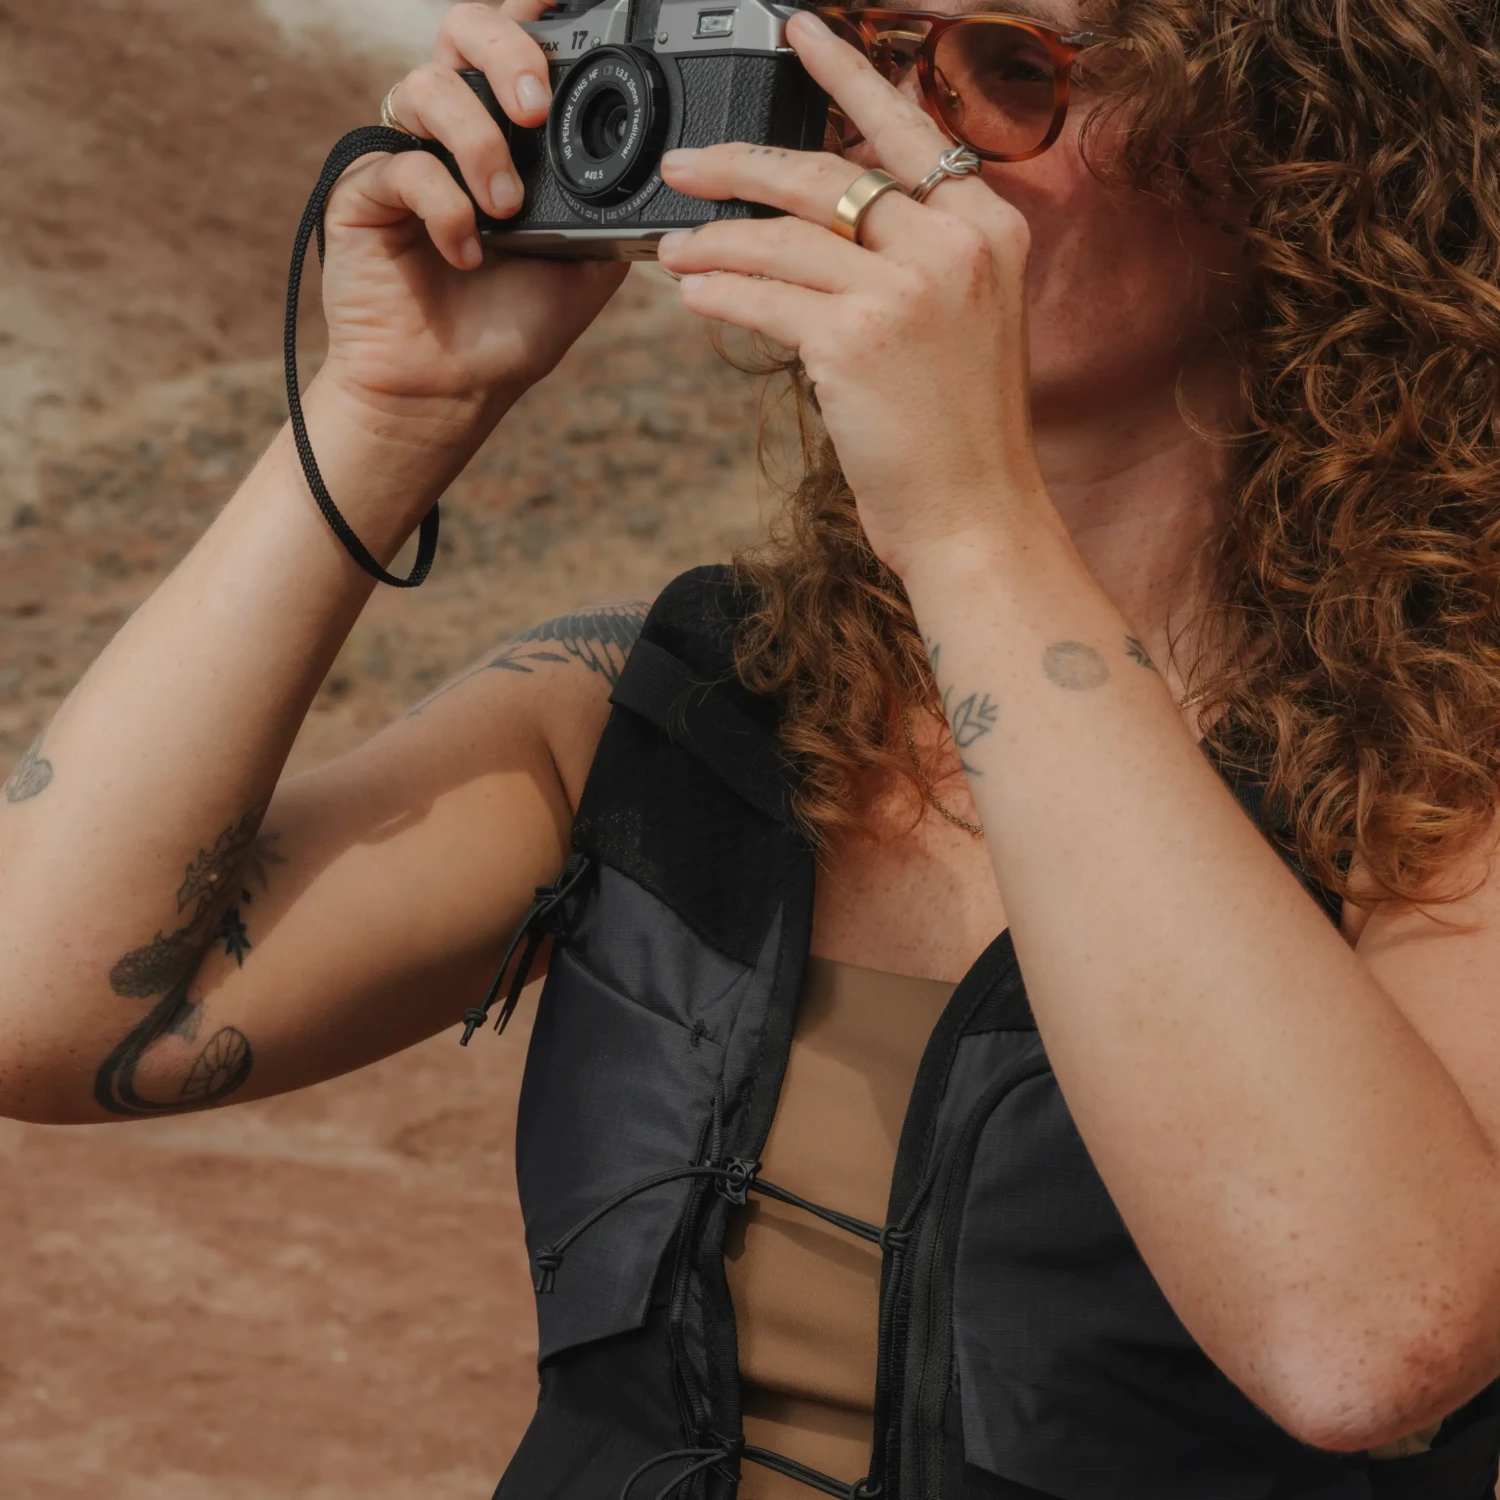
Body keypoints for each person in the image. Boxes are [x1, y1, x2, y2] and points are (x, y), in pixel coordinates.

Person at [4, 0, 1500, 1493]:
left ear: (1304, 149)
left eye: (1005, 71)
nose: (893, 134)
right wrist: (390, 407)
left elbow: (1363, 1342)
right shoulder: (678, 705)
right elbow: (46, 1008)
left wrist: (974, 532)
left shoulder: (1450, 781)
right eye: (858, 55)